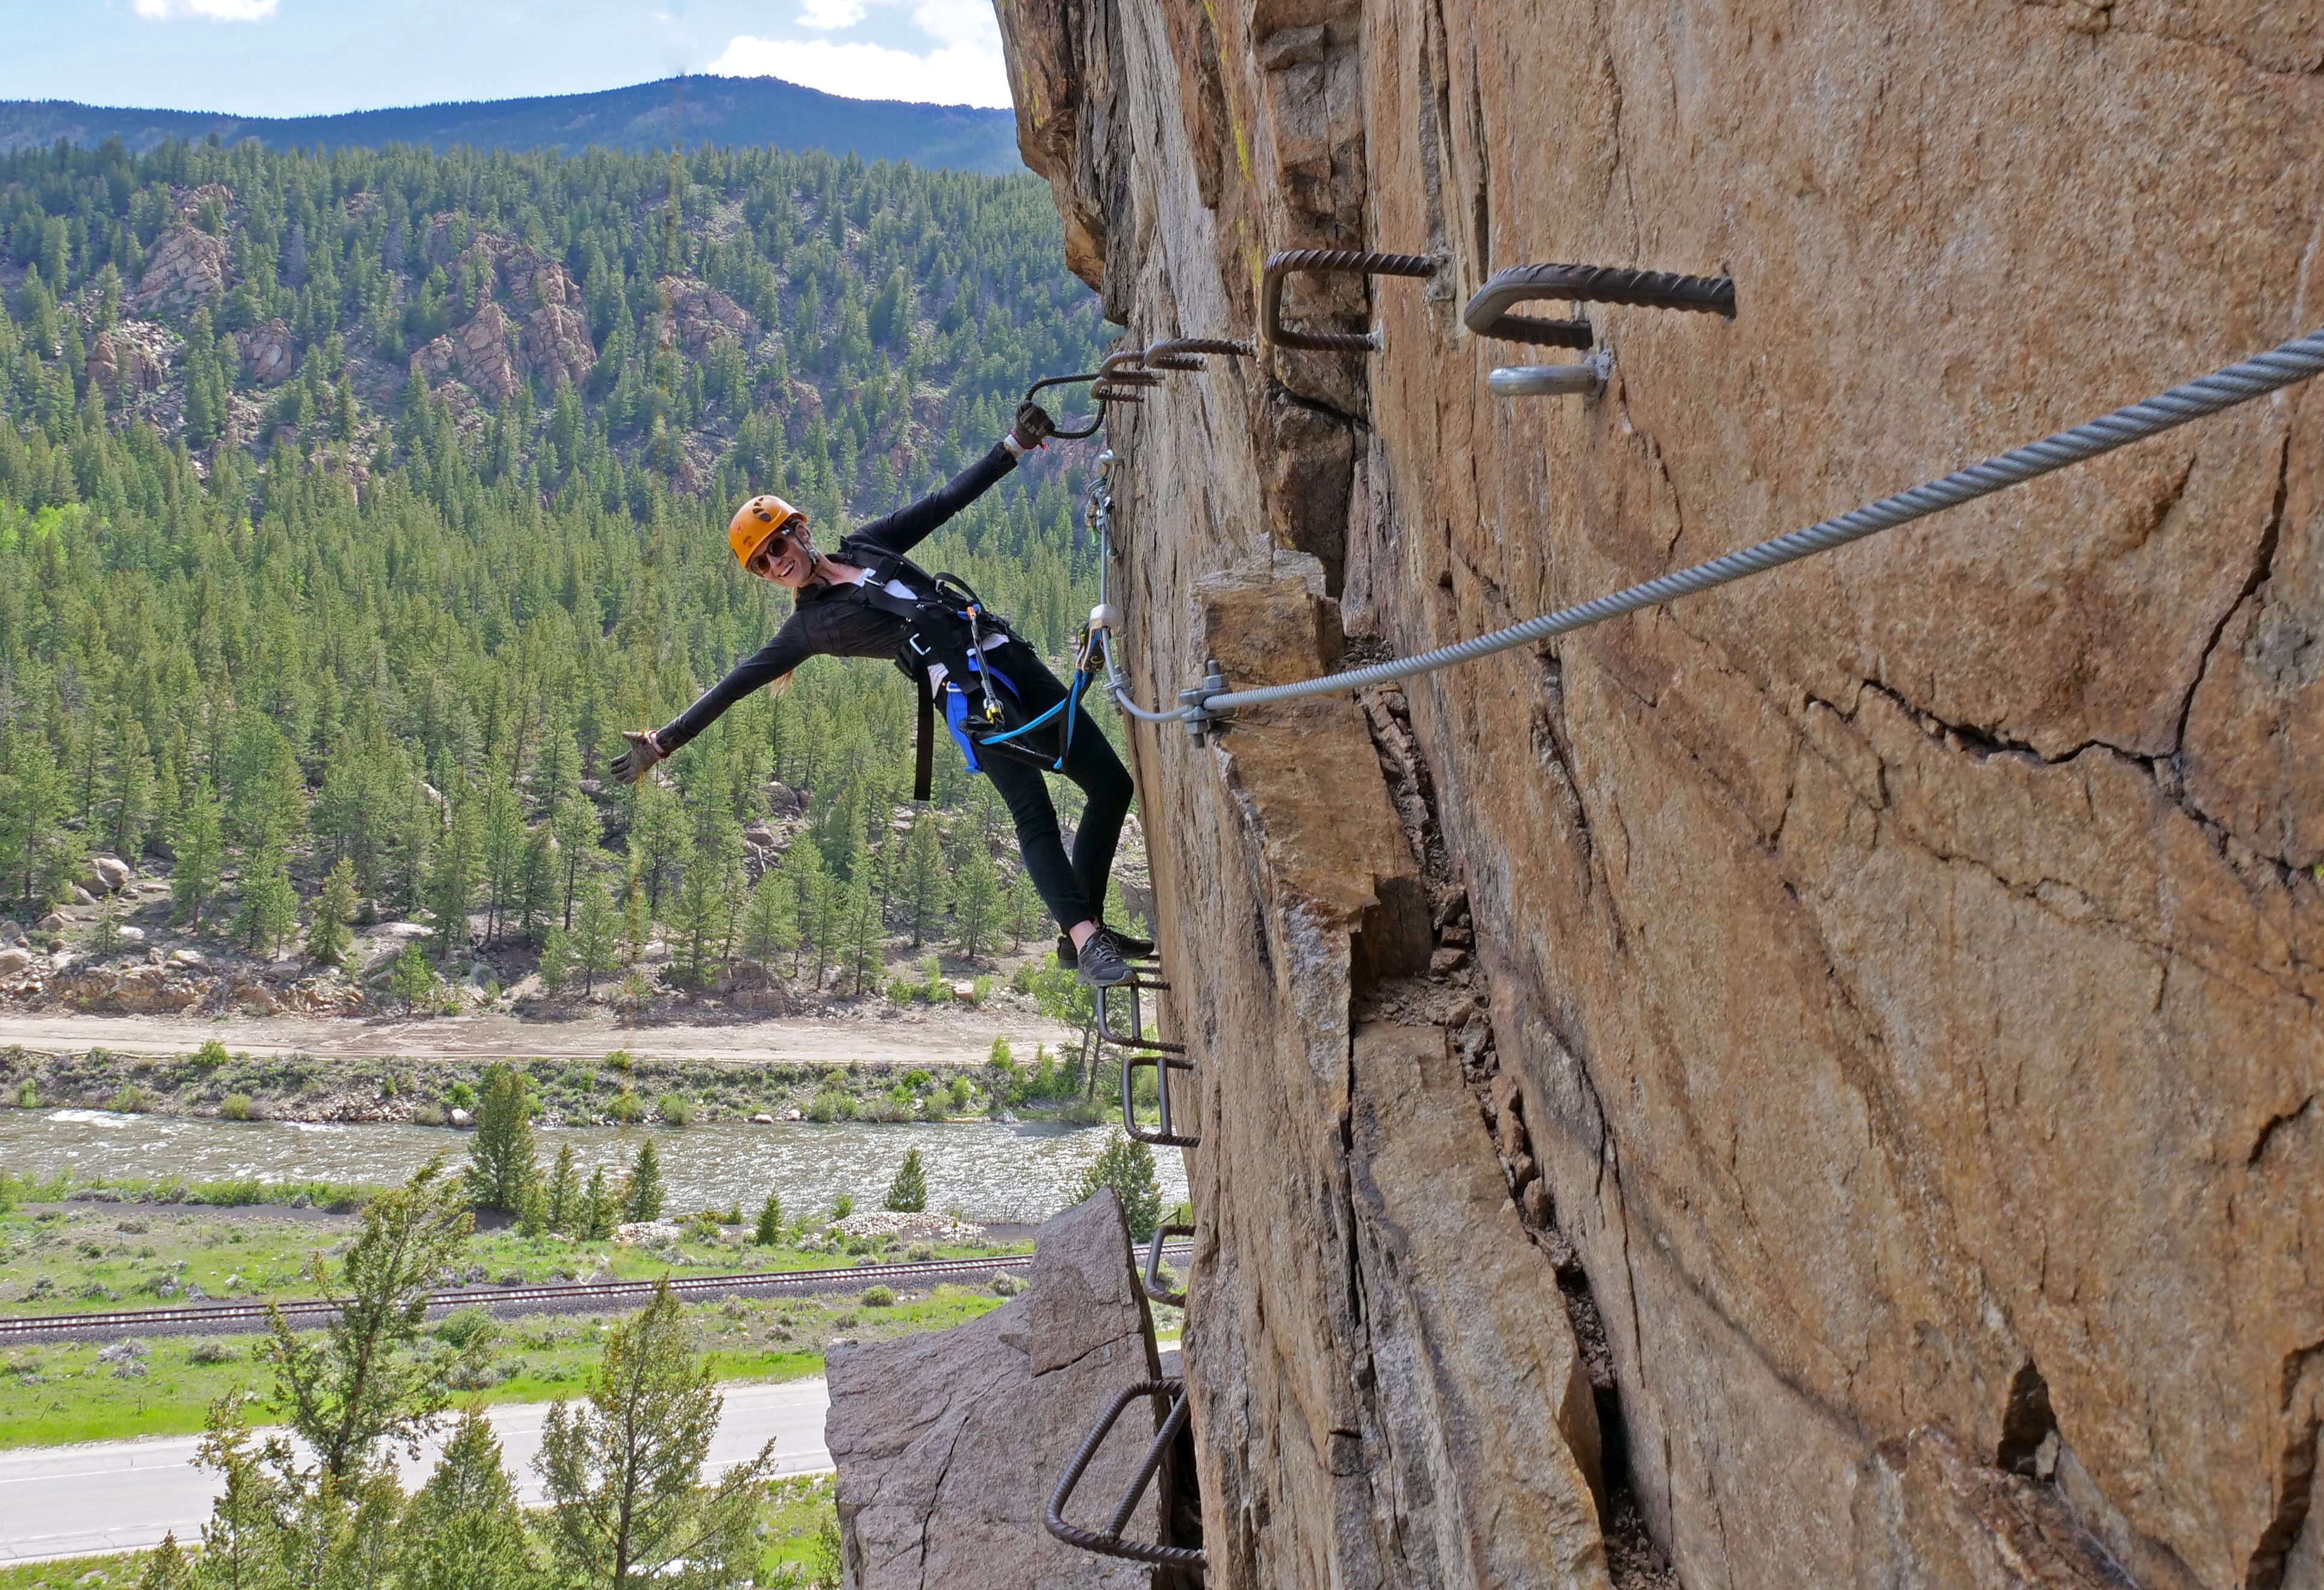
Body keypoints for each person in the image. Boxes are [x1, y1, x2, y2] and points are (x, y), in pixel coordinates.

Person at [608, 402, 1147, 987]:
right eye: (763, 563)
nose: (776, 563)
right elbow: (736, 683)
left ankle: (1084, 927)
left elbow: (942, 503)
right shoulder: (809, 628)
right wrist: (662, 742)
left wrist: (1012, 446)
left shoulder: (867, 546)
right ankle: (1087, 942)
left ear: (798, 530)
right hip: (968, 698)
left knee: (1110, 783)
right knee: (1032, 811)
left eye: (776, 545)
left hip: (1006, 658)